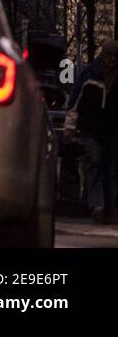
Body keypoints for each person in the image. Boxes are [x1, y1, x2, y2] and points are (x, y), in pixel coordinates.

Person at [67, 39, 118, 223]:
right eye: (109, 55)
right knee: (95, 162)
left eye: (115, 56)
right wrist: (71, 127)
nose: (112, 59)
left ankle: (108, 207)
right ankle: (97, 205)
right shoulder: (89, 75)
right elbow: (75, 102)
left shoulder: (91, 74)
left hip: (112, 130)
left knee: (111, 167)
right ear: (103, 56)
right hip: (90, 128)